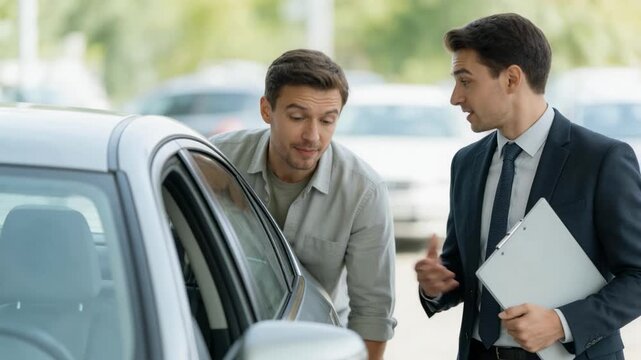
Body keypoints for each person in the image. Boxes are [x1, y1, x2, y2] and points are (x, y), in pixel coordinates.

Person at [414, 13, 641, 360]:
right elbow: (460, 269)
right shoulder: (466, 162)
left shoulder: (601, 159)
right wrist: (437, 287)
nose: (455, 97)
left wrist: (561, 322)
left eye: (465, 81)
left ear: (511, 78)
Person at [210, 49, 396, 360]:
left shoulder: (364, 191)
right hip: (220, 332)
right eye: (297, 117)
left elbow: (373, 315)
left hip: (317, 345)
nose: (313, 135)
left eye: (327, 120)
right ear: (266, 110)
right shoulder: (217, 162)